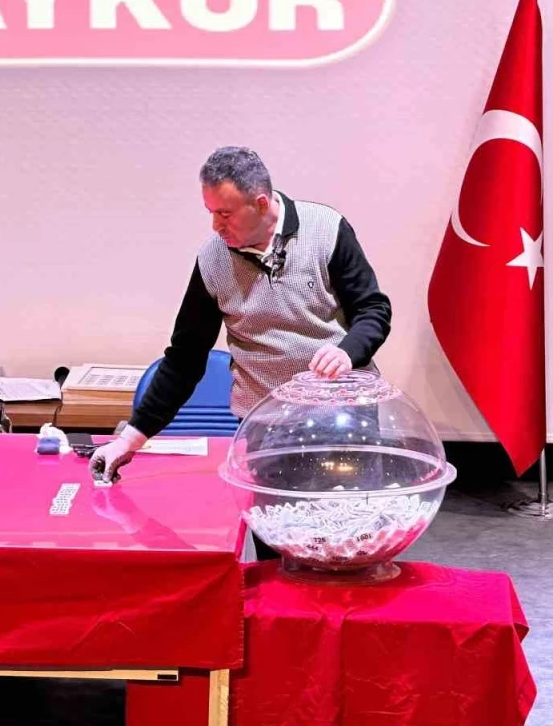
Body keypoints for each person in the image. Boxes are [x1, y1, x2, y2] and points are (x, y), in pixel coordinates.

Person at [91, 146, 393, 484]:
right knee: (274, 517)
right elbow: (185, 359)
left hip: (343, 417)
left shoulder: (326, 229)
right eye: (211, 213)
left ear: (261, 204)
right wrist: (129, 440)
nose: (215, 225)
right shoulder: (212, 260)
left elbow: (373, 310)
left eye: (225, 213)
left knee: (350, 515)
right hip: (266, 426)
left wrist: (347, 352)